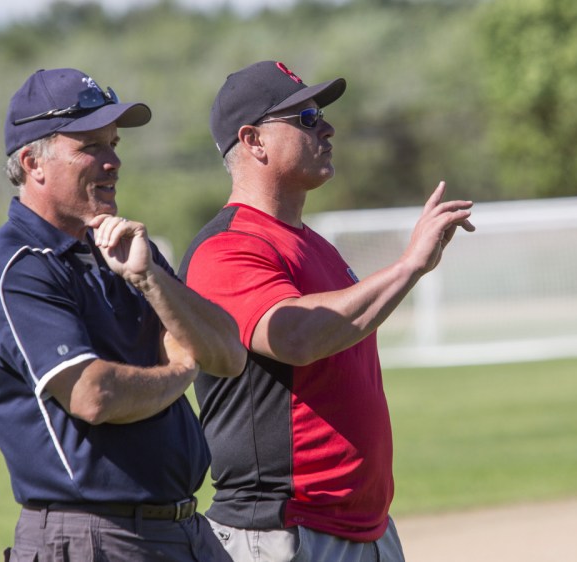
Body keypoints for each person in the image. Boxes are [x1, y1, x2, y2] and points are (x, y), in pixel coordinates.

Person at [178, 60, 475, 562]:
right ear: (253, 140)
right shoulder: (226, 247)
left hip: (363, 529)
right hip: (282, 532)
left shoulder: (312, 244)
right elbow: (294, 336)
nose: (327, 126)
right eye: (307, 116)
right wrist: (408, 267)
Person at [0, 67, 246, 562]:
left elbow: (228, 355)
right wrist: (179, 367)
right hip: (95, 538)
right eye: (91, 146)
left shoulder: (126, 247)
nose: (113, 162)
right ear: (33, 163)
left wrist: (150, 277)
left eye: (114, 144)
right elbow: (95, 394)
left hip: (185, 531)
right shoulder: (9, 267)